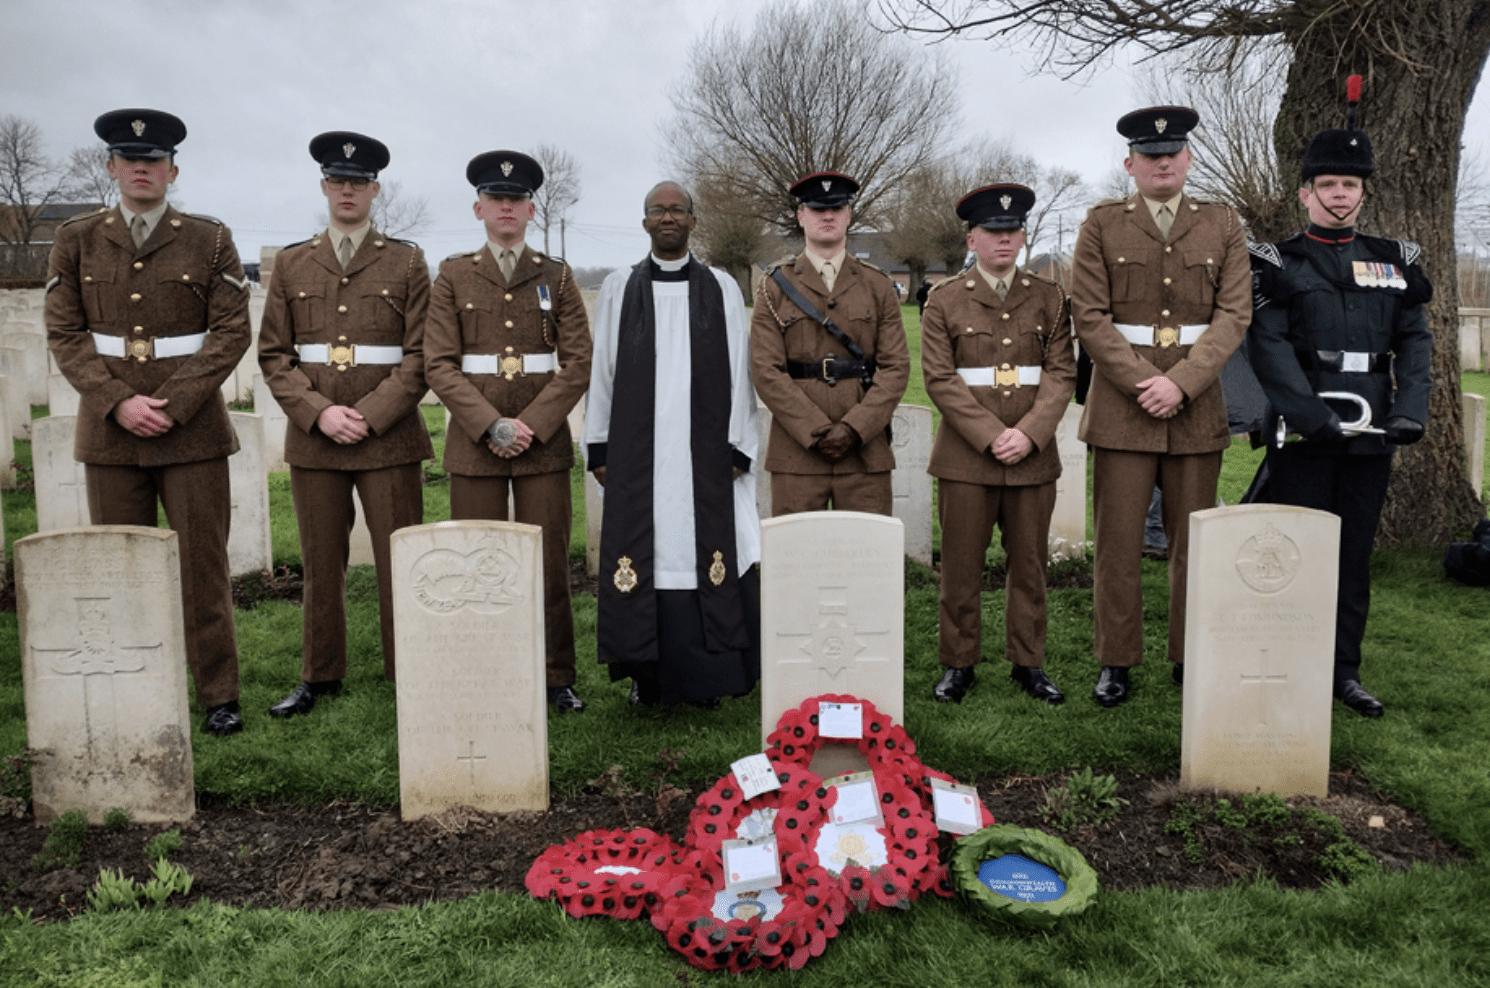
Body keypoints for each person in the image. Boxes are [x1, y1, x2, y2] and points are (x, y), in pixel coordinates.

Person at [44, 108, 251, 735]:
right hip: (111, 432)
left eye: (153, 160)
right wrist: (117, 402)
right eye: (130, 160)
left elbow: (231, 330)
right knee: (120, 568)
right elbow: (65, 332)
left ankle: (218, 693)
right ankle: (130, 685)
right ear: (111, 168)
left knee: (203, 568)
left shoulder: (208, 238)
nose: (142, 168)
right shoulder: (76, 237)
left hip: (191, 432)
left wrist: (173, 402)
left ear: (172, 170)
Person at [1246, 77, 1431, 717]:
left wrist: (1410, 412)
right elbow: (1268, 347)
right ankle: (1280, 664)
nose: (1340, 195)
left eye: (1350, 185)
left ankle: (1342, 672)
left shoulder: (1395, 260)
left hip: (1373, 430)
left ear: (1362, 192)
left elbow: (1415, 342)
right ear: (1307, 192)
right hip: (1305, 431)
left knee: (1353, 560)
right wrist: (1312, 417)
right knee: (1292, 555)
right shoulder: (1278, 261)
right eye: (1328, 185)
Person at [1070, 106, 1250, 706]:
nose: (1162, 162)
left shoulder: (1223, 224)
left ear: (1189, 159)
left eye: (1172, 152)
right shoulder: (1100, 224)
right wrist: (1147, 381)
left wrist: (1184, 384)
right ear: (1131, 165)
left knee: (1194, 544)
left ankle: (1187, 652)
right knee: (1118, 543)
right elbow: (1090, 318)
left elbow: (1234, 315)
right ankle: (1116, 661)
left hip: (1196, 407)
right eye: (1150, 156)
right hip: (1124, 407)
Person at [257, 131, 433, 718]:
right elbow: (274, 356)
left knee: (400, 562)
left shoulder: (406, 260)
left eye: (359, 182)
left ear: (375, 189)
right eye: (338, 181)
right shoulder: (291, 262)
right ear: (324, 186)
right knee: (320, 563)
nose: (348, 190)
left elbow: (421, 356)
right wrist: (319, 413)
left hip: (389, 439)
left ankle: (409, 667)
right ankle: (319, 675)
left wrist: (372, 414)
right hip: (316, 439)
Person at [423, 150, 591, 712]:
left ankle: (555, 675)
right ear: (478, 207)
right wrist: (490, 424)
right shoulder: (452, 274)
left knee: (547, 565)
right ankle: (485, 666)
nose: (506, 207)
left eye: (516, 199)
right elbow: (439, 364)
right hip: (477, 445)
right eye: (496, 198)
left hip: (541, 445)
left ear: (531, 209)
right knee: (476, 562)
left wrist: (532, 425)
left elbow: (577, 362)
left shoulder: (557, 275)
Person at [584, 181, 761, 707]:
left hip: (704, 456)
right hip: (640, 458)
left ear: (693, 221)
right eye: (657, 211)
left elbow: (739, 376)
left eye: (677, 210)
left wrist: (738, 447)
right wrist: (599, 448)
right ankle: (648, 676)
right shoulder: (619, 288)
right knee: (649, 555)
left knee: (701, 550)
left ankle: (708, 679)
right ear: (644, 223)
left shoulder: (723, 288)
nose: (667, 217)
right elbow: (604, 374)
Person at [921, 185, 1076, 705]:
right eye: (993, 232)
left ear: (1024, 236)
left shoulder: (1051, 297)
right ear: (973, 238)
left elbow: (1061, 374)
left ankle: (1027, 662)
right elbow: (939, 379)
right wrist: (992, 436)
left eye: (1012, 231)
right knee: (961, 568)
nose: (1004, 240)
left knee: (1029, 566)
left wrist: (1029, 434)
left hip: (1032, 459)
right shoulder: (943, 299)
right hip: (967, 459)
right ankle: (958, 663)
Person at [751, 172, 910, 516]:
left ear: (849, 215)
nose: (828, 216)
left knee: (868, 558)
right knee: (797, 562)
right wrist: (815, 429)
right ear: (801, 216)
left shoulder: (878, 286)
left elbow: (896, 367)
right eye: (817, 208)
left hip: (865, 451)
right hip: (797, 450)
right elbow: (766, 370)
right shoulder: (773, 287)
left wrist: (855, 428)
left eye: (837, 207)